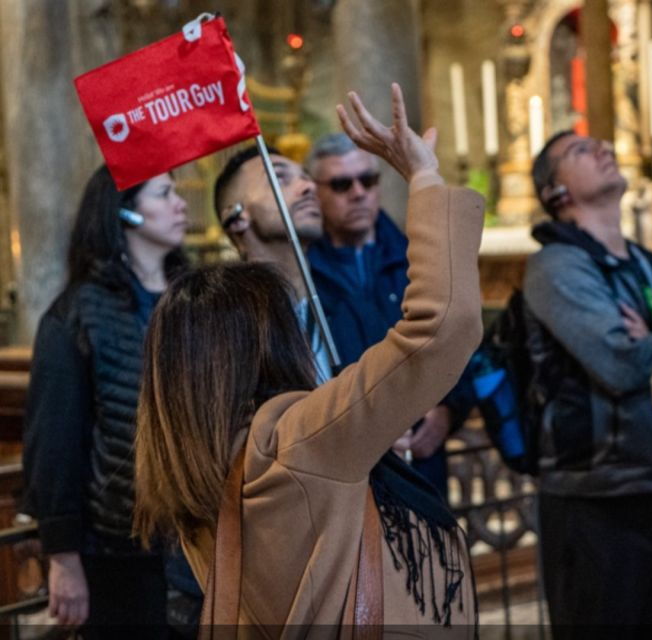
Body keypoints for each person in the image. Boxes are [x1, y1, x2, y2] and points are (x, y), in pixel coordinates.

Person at [133, 85, 484, 635]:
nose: (305, 188)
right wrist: (424, 178)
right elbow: (439, 328)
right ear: (263, 338)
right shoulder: (294, 438)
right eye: (279, 176)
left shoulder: (193, 455)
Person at [524, 130, 652, 637]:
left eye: (599, 145)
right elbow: (620, 365)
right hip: (593, 497)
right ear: (556, 193)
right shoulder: (556, 266)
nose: (604, 149)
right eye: (580, 151)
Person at [21, 166, 189, 636]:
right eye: (164, 193)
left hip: (200, 540)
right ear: (125, 213)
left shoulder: (197, 296)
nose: (181, 203)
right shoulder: (77, 311)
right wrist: (63, 556)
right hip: (119, 546)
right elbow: (55, 440)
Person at [306, 132, 469, 499]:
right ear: (315, 191)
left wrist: (447, 410)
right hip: (349, 474)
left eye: (368, 180)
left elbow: (458, 339)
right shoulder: (303, 274)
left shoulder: (417, 254)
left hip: (421, 466)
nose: (358, 193)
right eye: (341, 184)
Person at [214, 144, 332, 381]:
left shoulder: (340, 296)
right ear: (236, 218)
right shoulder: (225, 326)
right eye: (279, 179)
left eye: (306, 177)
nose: (309, 187)